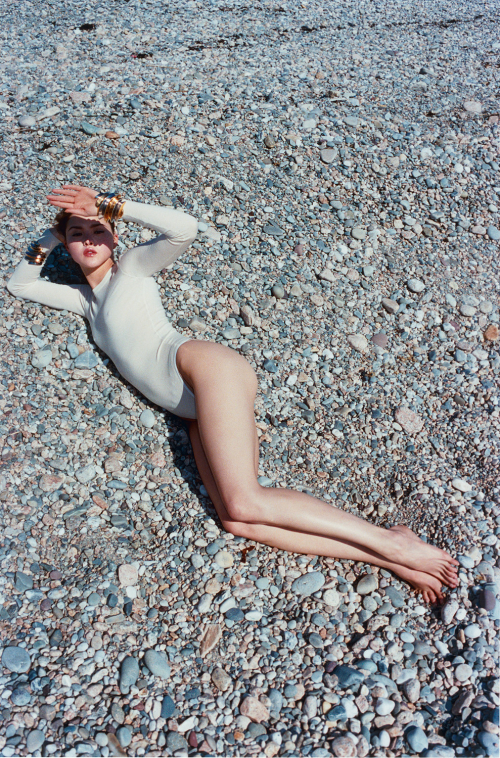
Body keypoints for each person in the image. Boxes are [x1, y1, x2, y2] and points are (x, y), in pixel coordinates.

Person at [7, 184, 459, 604]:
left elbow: (184, 229)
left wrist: (111, 204)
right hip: (191, 411)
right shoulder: (86, 301)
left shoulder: (132, 268)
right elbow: (19, 285)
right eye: (77, 235)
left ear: (115, 238)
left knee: (246, 499)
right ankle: (392, 557)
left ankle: (390, 540)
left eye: (98, 231)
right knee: (237, 521)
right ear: (66, 244)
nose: (88, 240)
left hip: (204, 369)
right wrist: (50, 235)